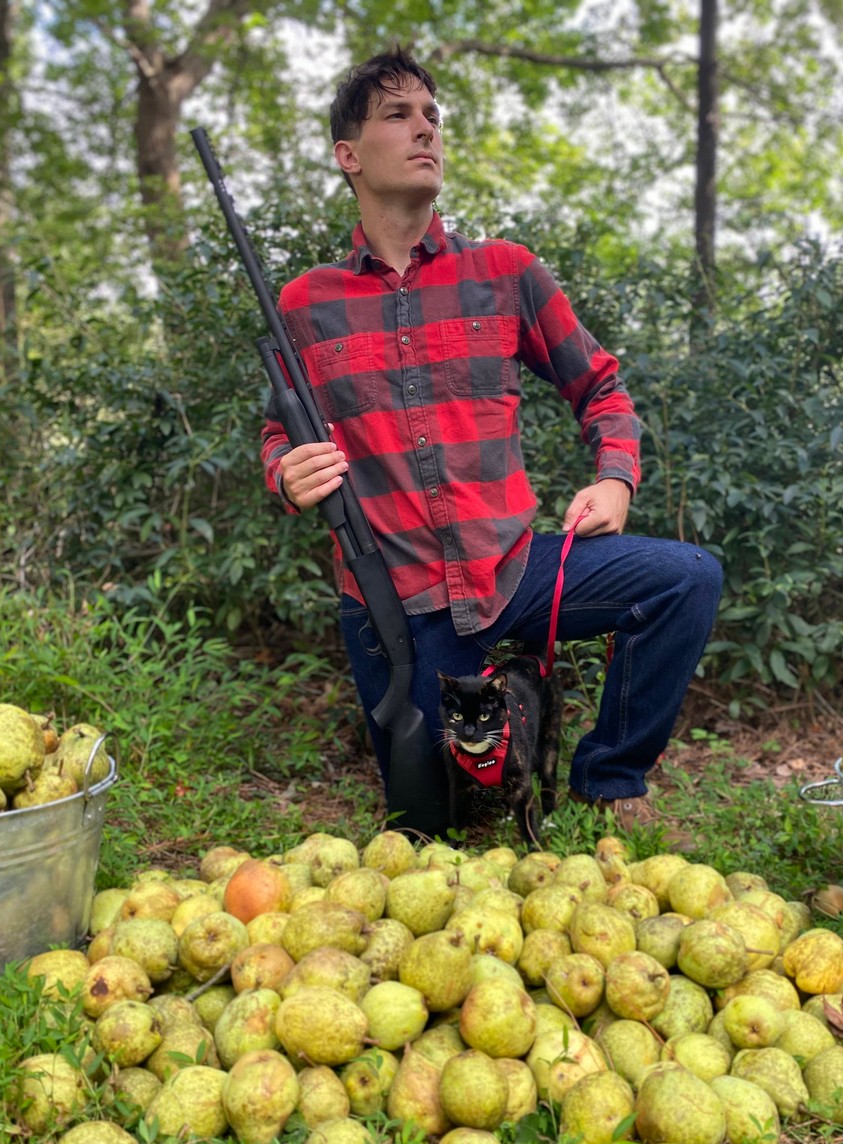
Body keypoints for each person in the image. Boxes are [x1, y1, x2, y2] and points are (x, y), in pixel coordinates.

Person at [261, 48, 722, 838]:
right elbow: (279, 432)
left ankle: (607, 777)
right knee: (432, 825)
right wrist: (285, 472)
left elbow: (603, 389)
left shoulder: (506, 274)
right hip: (394, 601)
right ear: (349, 155)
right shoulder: (305, 305)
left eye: (433, 116)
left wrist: (616, 478)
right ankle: (471, 744)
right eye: (399, 116)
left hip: (511, 569)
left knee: (686, 579)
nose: (425, 129)